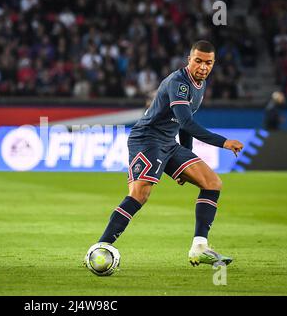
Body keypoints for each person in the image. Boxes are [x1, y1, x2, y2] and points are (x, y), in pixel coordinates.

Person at [91, 40, 244, 267]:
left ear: (213, 64)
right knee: (140, 194)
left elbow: (183, 125)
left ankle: (200, 247)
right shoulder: (179, 82)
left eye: (208, 63)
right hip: (147, 139)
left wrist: (186, 160)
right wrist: (223, 142)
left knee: (212, 183)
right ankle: (101, 246)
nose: (203, 67)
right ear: (189, 60)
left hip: (168, 142)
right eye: (198, 61)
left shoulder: (199, 86)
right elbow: (187, 122)